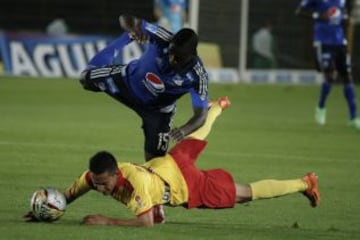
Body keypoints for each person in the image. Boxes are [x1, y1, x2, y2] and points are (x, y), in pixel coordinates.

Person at [24, 97, 321, 227]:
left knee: (246, 194)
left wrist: (106, 221)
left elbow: (146, 224)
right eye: (97, 184)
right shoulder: (96, 176)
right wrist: (48, 207)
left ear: (115, 173)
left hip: (188, 184)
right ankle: (216, 107)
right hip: (168, 163)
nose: (100, 189)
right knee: (196, 138)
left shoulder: (134, 183)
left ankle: (304, 182)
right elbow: (73, 192)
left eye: (104, 184)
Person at [80, 14, 209, 162]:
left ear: (190, 56)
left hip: (157, 112)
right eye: (171, 53)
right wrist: (133, 29)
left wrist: (183, 130)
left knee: (155, 163)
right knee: (85, 78)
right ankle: (122, 42)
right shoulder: (163, 37)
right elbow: (126, 18)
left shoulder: (198, 76)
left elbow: (201, 115)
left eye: (177, 57)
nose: (172, 59)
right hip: (126, 82)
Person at [295, 0, 360, 129]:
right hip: (323, 42)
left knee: (347, 77)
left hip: (340, 42)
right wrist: (318, 16)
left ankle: (354, 117)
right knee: (330, 76)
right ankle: (321, 107)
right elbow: (299, 12)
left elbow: (343, 14)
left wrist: (346, 19)